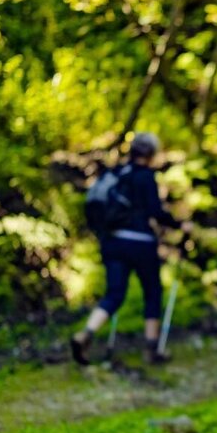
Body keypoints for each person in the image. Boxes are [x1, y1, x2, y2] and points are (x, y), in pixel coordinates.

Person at [71, 132, 180, 365]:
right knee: (152, 292)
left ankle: (86, 334)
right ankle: (152, 349)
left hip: (113, 241)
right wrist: (180, 224)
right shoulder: (145, 177)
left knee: (114, 294)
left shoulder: (116, 173)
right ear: (151, 154)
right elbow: (155, 212)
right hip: (140, 242)